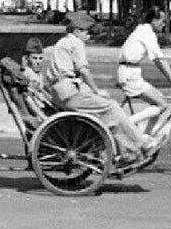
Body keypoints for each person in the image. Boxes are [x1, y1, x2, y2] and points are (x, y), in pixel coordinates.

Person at [44, 17, 153, 161]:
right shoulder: (75, 43)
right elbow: (83, 70)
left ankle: (127, 150)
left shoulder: (62, 43)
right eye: (87, 32)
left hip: (62, 92)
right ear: (77, 31)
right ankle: (141, 144)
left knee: (108, 115)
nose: (89, 36)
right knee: (112, 107)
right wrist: (96, 90)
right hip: (70, 92)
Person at [116, 7, 171, 116]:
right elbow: (159, 59)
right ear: (154, 20)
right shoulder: (147, 33)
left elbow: (159, 59)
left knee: (159, 99)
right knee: (161, 105)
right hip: (130, 76)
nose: (164, 24)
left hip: (129, 73)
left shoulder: (143, 29)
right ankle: (129, 125)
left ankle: (146, 133)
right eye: (162, 21)